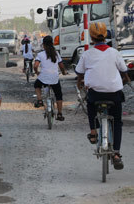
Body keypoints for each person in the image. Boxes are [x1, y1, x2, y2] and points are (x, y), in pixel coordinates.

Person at [75, 22, 130, 170]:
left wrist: (81, 80)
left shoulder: (87, 54)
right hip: (114, 94)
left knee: (91, 104)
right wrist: (124, 78)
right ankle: (116, 154)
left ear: (91, 37)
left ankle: (93, 132)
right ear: (105, 36)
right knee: (117, 122)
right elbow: (124, 70)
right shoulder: (114, 52)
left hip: (96, 94)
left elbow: (79, 72)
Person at [33, 36, 68, 121]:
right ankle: (59, 114)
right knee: (58, 95)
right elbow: (61, 66)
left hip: (43, 78)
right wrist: (63, 72)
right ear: (52, 44)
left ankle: (40, 100)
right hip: (54, 79)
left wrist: (37, 72)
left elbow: (35, 65)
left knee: (36, 85)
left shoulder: (40, 54)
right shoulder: (56, 54)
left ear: (43, 45)